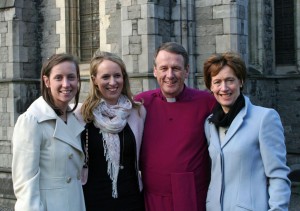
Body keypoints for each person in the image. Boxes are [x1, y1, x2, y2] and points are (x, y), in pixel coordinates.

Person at [203, 52, 291, 210]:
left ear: (241, 82)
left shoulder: (264, 118)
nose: (224, 88)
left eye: (230, 80)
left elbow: (278, 175)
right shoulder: (209, 124)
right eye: (217, 82)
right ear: (211, 86)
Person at [134, 42, 216, 211]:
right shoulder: (141, 103)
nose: (169, 75)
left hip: (191, 195)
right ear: (155, 71)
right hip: (151, 197)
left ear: (186, 70)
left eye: (176, 68)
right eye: (164, 68)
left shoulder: (207, 102)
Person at [12, 53, 86, 211]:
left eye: (71, 77)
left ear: (78, 80)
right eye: (58, 78)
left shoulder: (75, 118)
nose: (66, 84)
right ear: (47, 81)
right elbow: (25, 186)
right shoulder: (31, 121)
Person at [74, 51, 146, 210]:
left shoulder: (137, 112)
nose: (113, 82)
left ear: (124, 78)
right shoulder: (81, 115)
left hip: (131, 199)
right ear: (94, 80)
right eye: (105, 77)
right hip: (92, 200)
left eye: (117, 76)